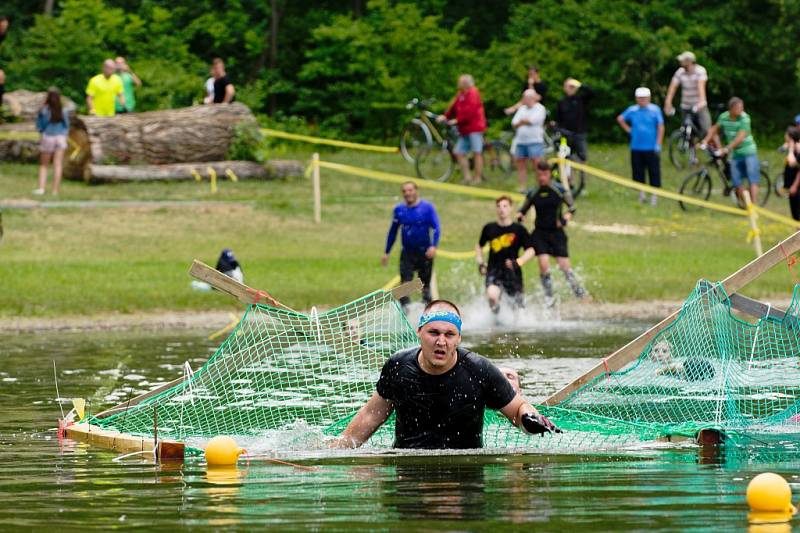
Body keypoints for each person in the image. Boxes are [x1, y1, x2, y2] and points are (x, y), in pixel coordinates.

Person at [332, 299, 560, 449]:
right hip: (408, 475)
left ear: (459, 338)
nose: (441, 341)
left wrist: (530, 419)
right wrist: (334, 450)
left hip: (465, 475)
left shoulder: (479, 370)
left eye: (449, 334)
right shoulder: (398, 366)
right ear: (419, 332)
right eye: (434, 332)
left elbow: (519, 408)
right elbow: (371, 415)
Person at [517, 161, 587, 307]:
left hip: (556, 233)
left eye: (544, 174)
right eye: (539, 175)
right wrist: (519, 217)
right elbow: (522, 210)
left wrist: (564, 220)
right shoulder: (533, 192)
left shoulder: (558, 189)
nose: (542, 178)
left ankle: (579, 293)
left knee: (564, 267)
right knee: (543, 264)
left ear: (549, 174)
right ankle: (549, 297)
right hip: (540, 233)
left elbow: (572, 208)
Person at [382, 181, 441, 311]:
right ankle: (405, 315)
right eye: (404, 191)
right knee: (404, 287)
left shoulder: (427, 208)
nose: (407, 193)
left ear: (416, 191)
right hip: (407, 253)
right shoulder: (399, 210)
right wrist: (386, 252)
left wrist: (433, 246)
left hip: (424, 253)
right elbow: (393, 231)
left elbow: (436, 228)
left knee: (424, 287)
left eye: (410, 190)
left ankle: (427, 315)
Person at [476, 196, 535, 314]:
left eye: (505, 206)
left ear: (511, 208)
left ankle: (514, 325)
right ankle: (497, 319)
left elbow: (531, 250)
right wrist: (481, 263)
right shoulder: (489, 228)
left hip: (512, 272)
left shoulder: (519, 229)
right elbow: (479, 246)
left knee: (517, 307)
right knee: (492, 296)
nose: (501, 209)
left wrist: (519, 262)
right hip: (494, 270)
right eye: (498, 206)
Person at [701, 97, 760, 204]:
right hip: (735, 154)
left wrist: (727, 148)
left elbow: (740, 137)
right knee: (736, 182)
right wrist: (705, 141)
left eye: (742, 107)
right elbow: (714, 128)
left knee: (752, 180)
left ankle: (754, 205)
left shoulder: (745, 118)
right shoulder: (724, 117)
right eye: (738, 108)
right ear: (731, 109)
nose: (741, 110)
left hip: (749, 152)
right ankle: (747, 205)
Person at [616, 87, 664, 205]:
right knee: (638, 172)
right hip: (636, 147)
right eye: (640, 98)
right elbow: (620, 118)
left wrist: (658, 143)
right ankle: (641, 195)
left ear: (649, 98)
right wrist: (629, 130)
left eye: (644, 98)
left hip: (651, 147)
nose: (642, 100)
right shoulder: (633, 110)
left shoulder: (655, 110)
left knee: (654, 172)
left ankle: (654, 196)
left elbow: (660, 127)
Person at [438, 74, 486, 184]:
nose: (458, 84)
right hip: (464, 129)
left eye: (459, 82)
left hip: (475, 128)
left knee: (477, 153)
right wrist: (445, 116)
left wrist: (457, 120)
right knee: (458, 152)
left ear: (465, 83)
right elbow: (454, 106)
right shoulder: (461, 94)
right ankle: (467, 177)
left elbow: (471, 111)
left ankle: (477, 178)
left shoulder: (473, 93)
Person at [663, 51, 711, 140]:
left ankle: (715, 147)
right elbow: (672, 88)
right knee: (685, 128)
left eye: (682, 61)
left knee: (706, 128)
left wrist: (701, 101)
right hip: (685, 105)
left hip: (699, 104)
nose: (680, 62)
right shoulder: (680, 72)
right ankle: (690, 147)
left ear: (689, 61)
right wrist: (668, 102)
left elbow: (701, 87)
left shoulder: (700, 71)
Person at [34, 88, 69, 196]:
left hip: (48, 137)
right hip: (61, 138)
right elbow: (66, 125)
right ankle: (55, 191)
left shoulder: (44, 110)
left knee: (44, 165)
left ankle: (41, 188)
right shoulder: (63, 110)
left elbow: (40, 127)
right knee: (58, 165)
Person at [510, 89, 546, 192]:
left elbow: (532, 121)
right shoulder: (522, 109)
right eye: (525, 97)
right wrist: (523, 122)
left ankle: (539, 186)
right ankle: (522, 187)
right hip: (521, 141)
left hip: (535, 141)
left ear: (534, 98)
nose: (526, 99)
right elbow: (514, 123)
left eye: (529, 97)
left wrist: (522, 121)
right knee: (521, 164)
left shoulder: (540, 108)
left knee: (537, 165)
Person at [555, 78, 595, 162]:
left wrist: (579, 84)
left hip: (579, 133)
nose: (570, 89)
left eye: (572, 87)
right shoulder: (562, 102)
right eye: (568, 86)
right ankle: (569, 174)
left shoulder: (581, 99)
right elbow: (558, 118)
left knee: (582, 156)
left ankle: (582, 174)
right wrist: (559, 129)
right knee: (567, 156)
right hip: (566, 134)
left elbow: (592, 92)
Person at [782, 126, 800, 220]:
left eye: (786, 134)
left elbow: (792, 163)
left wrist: (795, 186)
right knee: (795, 216)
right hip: (792, 186)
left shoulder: (797, 149)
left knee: (797, 214)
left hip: (796, 187)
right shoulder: (793, 147)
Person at [0, 15, 9, 107]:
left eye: (5, 27)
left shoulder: (2, 35)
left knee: (1, 77)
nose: (4, 29)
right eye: (2, 27)